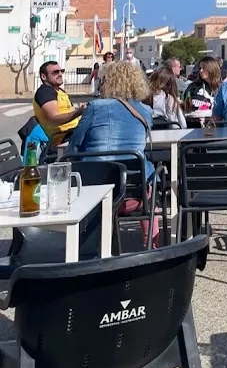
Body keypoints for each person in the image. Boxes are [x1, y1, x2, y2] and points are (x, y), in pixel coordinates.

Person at [67, 60, 159, 245]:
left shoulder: (95, 107)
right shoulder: (146, 111)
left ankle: (94, 244)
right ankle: (151, 243)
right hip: (134, 194)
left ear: (109, 82)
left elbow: (74, 146)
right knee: (150, 178)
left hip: (93, 194)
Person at [33, 61, 86, 144]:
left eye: (61, 71)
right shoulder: (45, 92)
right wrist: (78, 112)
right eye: (55, 72)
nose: (60, 74)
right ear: (43, 76)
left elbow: (70, 111)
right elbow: (54, 119)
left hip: (73, 132)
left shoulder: (60, 91)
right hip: (61, 138)